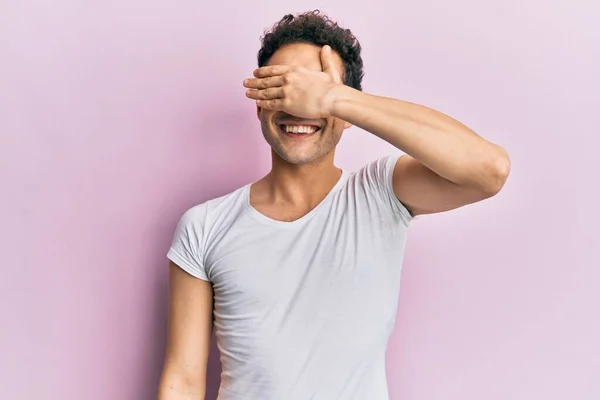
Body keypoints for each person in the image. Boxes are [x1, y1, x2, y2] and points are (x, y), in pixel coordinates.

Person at [158, 10, 510, 400]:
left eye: (310, 90)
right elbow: (183, 380)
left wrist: (335, 97)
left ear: (347, 114)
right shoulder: (204, 226)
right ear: (259, 104)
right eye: (282, 88)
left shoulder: (380, 194)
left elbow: (489, 170)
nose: (299, 106)